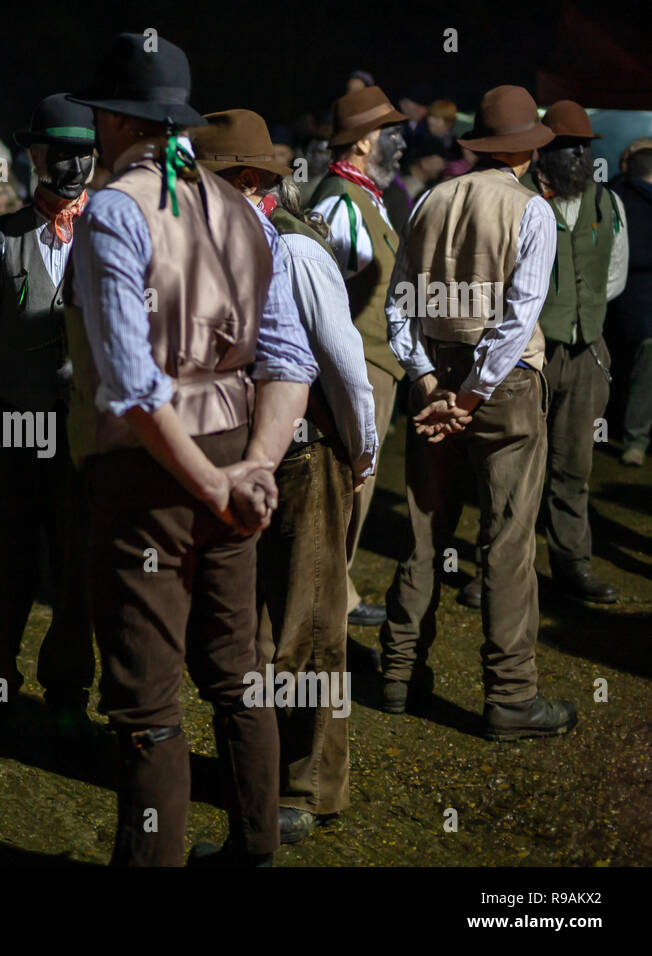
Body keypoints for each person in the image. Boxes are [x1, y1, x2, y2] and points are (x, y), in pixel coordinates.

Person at [65, 34, 318, 867]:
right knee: (237, 670)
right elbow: (289, 359)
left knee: (148, 705)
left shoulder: (114, 210)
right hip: (231, 456)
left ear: (112, 118)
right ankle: (254, 848)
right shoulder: (245, 212)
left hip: (151, 471)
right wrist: (254, 467)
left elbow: (135, 385)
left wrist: (218, 481)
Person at [197, 109, 376, 846]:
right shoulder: (227, 249)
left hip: (309, 457)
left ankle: (307, 784)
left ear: (246, 182)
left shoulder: (296, 255)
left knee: (309, 626)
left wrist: (360, 453)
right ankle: (271, 772)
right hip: (257, 454)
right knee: (262, 623)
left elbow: (344, 365)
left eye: (210, 185)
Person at [380, 85, 576, 741]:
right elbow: (518, 321)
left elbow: (398, 305)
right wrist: (469, 397)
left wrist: (433, 382)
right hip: (503, 390)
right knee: (508, 541)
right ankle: (511, 697)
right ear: (527, 149)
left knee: (424, 533)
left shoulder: (434, 198)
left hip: (435, 375)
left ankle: (399, 674)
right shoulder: (532, 211)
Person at [0, 93, 98, 734]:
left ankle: (67, 692)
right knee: (5, 561)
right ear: (37, 157)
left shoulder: (110, 235)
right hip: (11, 428)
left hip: (83, 434)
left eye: (82, 154)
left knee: (76, 567)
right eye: (59, 153)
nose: (71, 167)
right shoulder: (5, 236)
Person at [516, 101, 627, 605]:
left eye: (583, 146)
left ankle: (571, 565)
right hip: (530, 352)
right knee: (516, 466)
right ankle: (501, 571)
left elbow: (614, 271)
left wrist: (589, 315)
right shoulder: (519, 199)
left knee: (574, 464)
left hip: (586, 351)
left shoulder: (607, 202)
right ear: (543, 150)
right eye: (567, 145)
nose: (578, 155)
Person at [310, 85, 408, 628]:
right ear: (366, 140)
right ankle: (326, 607)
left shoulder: (364, 195)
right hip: (358, 368)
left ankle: (336, 596)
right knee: (345, 490)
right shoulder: (339, 200)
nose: (401, 144)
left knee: (357, 491)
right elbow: (327, 300)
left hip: (373, 365)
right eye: (391, 133)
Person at [610, 145, 652, 467]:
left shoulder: (609, 195)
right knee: (643, 371)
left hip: (615, 303)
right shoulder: (635, 202)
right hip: (641, 304)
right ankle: (635, 440)